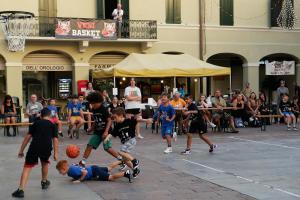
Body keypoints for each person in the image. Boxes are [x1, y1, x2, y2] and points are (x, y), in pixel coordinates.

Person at [11, 108, 58, 198]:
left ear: (41, 116)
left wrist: (21, 150)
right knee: (44, 163)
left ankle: (21, 189)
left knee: (27, 167)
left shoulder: (36, 123)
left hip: (34, 147)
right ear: (50, 116)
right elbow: (55, 140)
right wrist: (56, 153)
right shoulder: (53, 124)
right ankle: (44, 182)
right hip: (46, 148)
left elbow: (28, 137)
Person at [104, 107, 152, 178]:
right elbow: (112, 133)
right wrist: (107, 138)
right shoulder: (117, 126)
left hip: (131, 140)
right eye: (113, 118)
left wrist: (146, 120)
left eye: (115, 117)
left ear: (121, 115)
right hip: (125, 143)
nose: (114, 119)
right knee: (125, 160)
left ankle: (135, 160)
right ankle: (135, 169)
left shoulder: (128, 121)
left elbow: (138, 120)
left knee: (120, 152)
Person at [79, 92, 122, 169]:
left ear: (98, 102)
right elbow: (96, 121)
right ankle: (83, 162)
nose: (92, 105)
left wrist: (106, 132)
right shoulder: (93, 109)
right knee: (89, 145)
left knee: (107, 148)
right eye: (91, 104)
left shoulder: (103, 109)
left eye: (93, 104)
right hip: (97, 131)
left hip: (106, 131)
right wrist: (91, 129)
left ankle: (121, 160)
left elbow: (109, 120)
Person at [56, 160, 132, 183]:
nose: (60, 173)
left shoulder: (71, 171)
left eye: (60, 171)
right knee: (108, 168)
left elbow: (84, 172)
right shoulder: (71, 167)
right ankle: (121, 161)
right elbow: (80, 167)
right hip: (93, 168)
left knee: (111, 177)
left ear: (64, 168)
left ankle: (126, 173)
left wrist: (79, 180)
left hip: (94, 172)